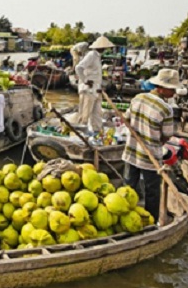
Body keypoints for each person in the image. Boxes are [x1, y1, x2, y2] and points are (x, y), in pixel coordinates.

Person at [122, 69, 181, 221]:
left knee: (128, 186)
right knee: (152, 191)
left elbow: (126, 119)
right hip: (151, 156)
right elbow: (167, 135)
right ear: (161, 88)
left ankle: (123, 214)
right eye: (172, 89)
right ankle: (151, 220)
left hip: (132, 150)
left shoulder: (138, 98)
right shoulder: (166, 109)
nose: (174, 93)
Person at [75, 35, 114, 132]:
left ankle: (97, 133)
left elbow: (96, 75)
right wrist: (85, 80)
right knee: (84, 116)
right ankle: (79, 136)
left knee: (97, 115)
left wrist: (99, 86)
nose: (105, 49)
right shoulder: (91, 55)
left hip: (96, 90)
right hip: (88, 90)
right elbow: (78, 68)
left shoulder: (98, 57)